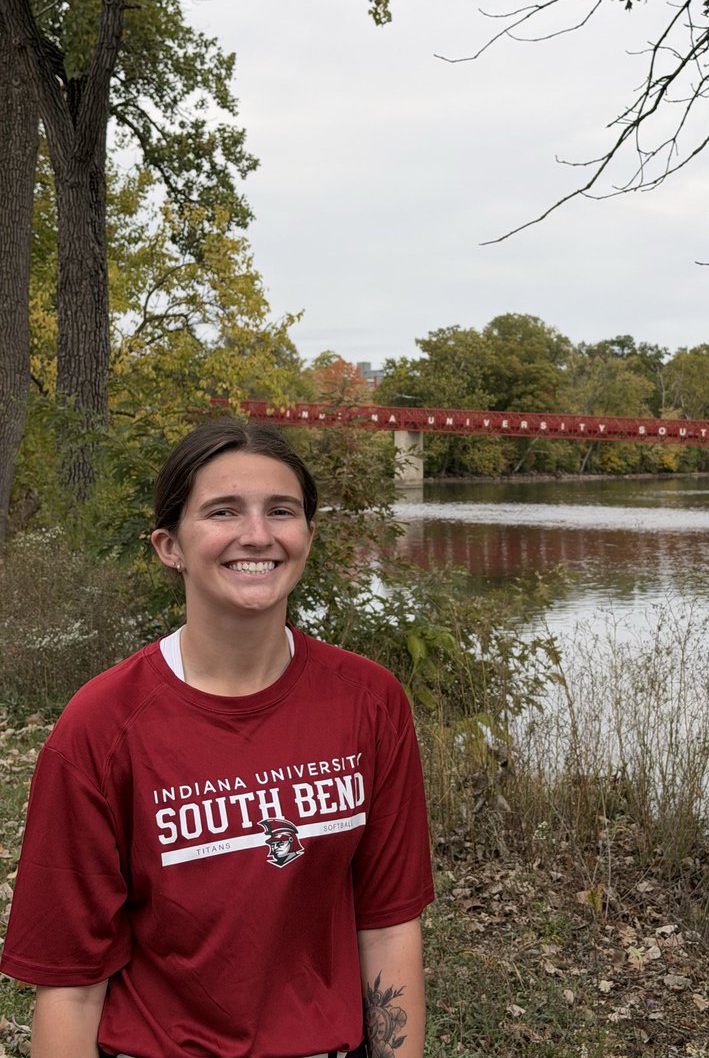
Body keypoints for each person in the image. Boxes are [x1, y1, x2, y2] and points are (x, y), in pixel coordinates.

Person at [0, 420, 434, 1058]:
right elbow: (71, 983)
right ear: (168, 545)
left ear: (307, 535)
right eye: (223, 511)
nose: (257, 535)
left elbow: (389, 925)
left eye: (281, 511)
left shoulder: (368, 701)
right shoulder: (102, 726)